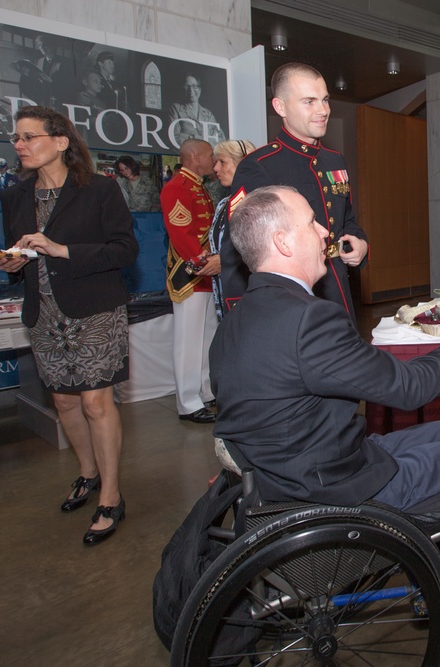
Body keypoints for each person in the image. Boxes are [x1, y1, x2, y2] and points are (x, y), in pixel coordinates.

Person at [210, 185, 440, 652]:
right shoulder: (308, 321)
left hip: (286, 478)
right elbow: (406, 389)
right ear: (283, 243)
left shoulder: (235, 322)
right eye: (311, 223)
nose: (326, 230)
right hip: (331, 491)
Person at [0, 106, 137, 545]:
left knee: (95, 402)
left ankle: (111, 497)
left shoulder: (99, 190)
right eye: (16, 138)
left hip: (94, 308)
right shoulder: (15, 197)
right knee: (65, 402)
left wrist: (61, 249)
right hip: (45, 313)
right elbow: (18, 258)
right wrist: (12, 263)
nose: (20, 145)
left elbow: (124, 249)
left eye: (29, 136)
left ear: (60, 142)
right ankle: (87, 472)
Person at [227, 62, 369, 321]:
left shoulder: (334, 160)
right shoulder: (259, 167)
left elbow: (346, 219)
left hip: (339, 293)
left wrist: (360, 242)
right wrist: (242, 314)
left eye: (325, 100)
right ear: (280, 107)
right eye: (309, 102)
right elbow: (239, 248)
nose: (323, 110)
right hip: (289, 304)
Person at [159, 138, 218, 424]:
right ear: (195, 156)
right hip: (190, 273)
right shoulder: (177, 188)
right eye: (209, 155)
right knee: (188, 341)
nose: (213, 160)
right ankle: (188, 402)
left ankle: (205, 392)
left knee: (206, 338)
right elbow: (182, 234)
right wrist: (201, 263)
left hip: (205, 274)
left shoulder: (196, 186)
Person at [206, 139, 255, 317]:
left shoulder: (260, 202)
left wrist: (225, 260)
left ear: (243, 163)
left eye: (222, 162)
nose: (216, 169)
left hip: (250, 296)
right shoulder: (223, 204)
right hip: (226, 293)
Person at [167, 73, 225, 145]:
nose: (191, 90)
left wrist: (191, 137)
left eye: (194, 86)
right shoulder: (175, 109)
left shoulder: (208, 114)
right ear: (183, 88)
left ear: (199, 89)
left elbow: (220, 140)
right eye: (187, 86)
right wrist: (205, 140)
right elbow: (175, 138)